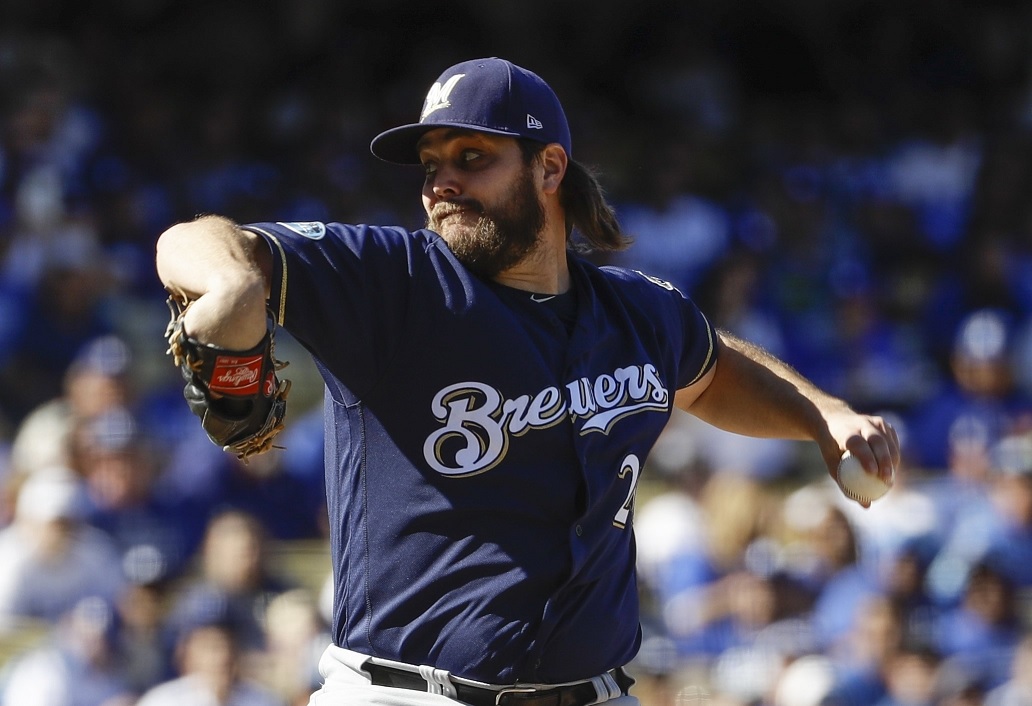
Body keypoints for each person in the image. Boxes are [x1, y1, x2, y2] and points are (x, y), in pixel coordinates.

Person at [154, 57, 900, 706]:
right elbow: (197, 241)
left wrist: (823, 414)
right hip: (407, 692)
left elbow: (710, 371)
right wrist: (229, 285)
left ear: (550, 169)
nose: (442, 182)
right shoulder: (392, 281)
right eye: (431, 165)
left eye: (471, 157)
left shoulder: (638, 311)